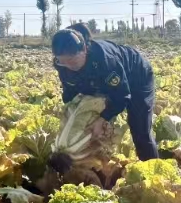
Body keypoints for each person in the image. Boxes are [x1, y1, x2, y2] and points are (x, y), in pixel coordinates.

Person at [51, 23, 158, 163]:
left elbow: (121, 95)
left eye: (72, 60)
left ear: (84, 49)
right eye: (62, 62)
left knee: (139, 128)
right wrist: (71, 118)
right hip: (100, 83)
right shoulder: (62, 65)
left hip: (137, 76)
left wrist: (103, 119)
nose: (68, 66)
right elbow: (70, 93)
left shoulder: (105, 61)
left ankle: (152, 166)